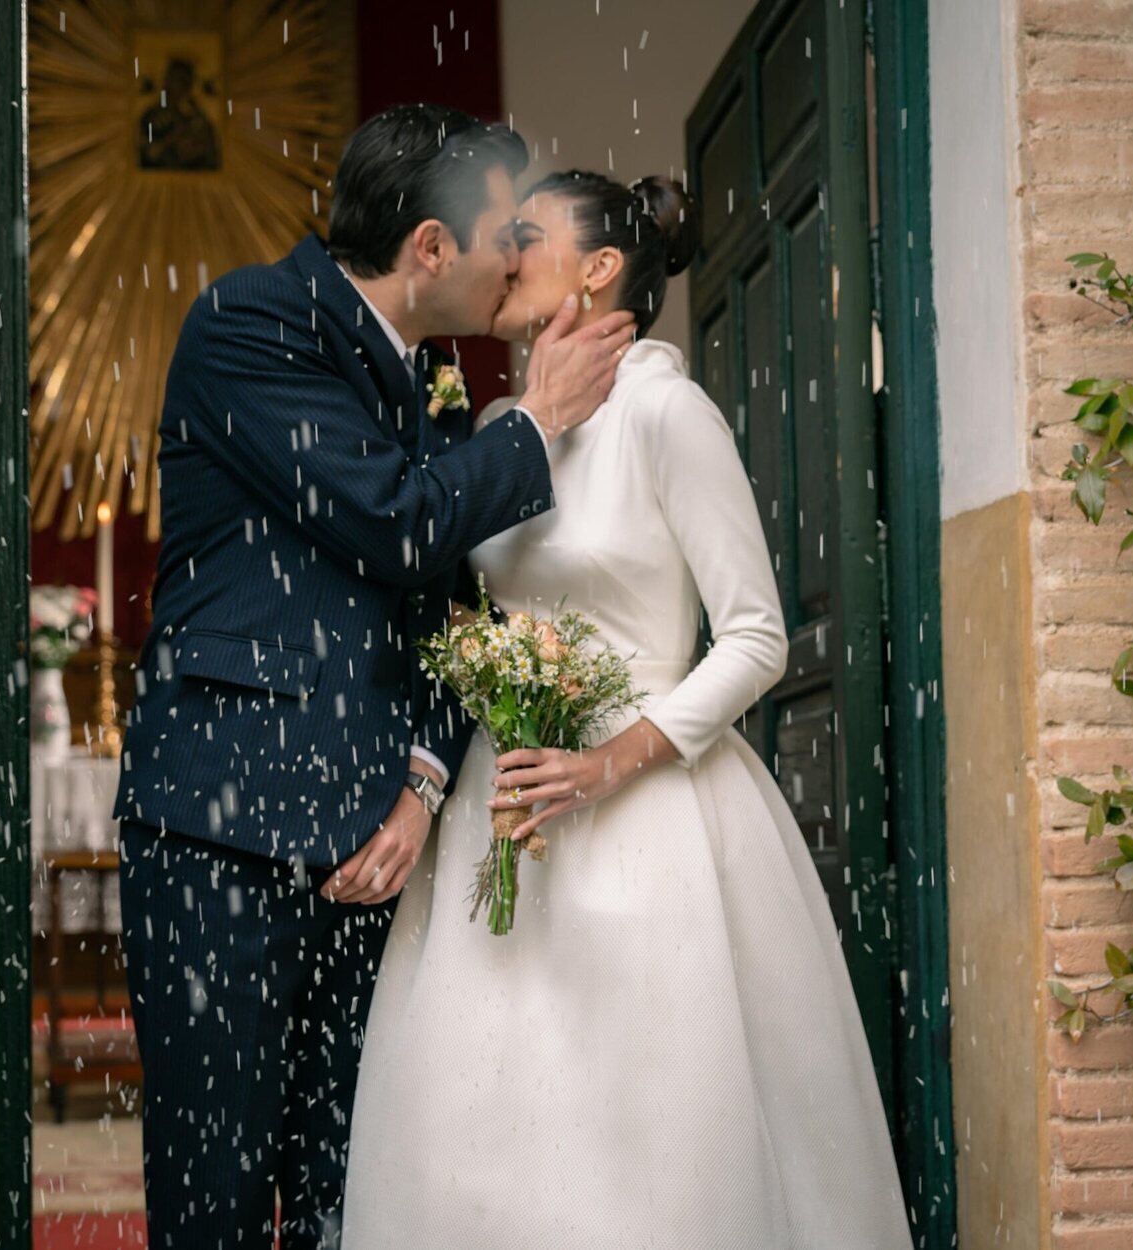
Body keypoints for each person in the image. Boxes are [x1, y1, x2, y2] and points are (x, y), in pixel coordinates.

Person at [341, 170, 915, 1247]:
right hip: (502, 816)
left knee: (647, 1139)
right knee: (482, 1135)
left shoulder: (666, 409)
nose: (501, 254)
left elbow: (755, 636)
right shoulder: (504, 426)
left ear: (600, 269)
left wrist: (604, 764)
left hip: (651, 820)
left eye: (526, 235)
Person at [113, 110, 638, 1248]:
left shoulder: (431, 378)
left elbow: (455, 617)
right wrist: (541, 418)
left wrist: (416, 784)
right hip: (224, 834)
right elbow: (394, 526)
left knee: (340, 1194)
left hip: (371, 850)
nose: (517, 253)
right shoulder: (249, 322)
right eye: (503, 229)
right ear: (431, 250)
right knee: (210, 1191)